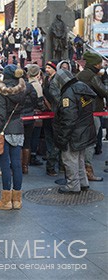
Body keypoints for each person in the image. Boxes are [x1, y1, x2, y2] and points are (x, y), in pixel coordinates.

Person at [52, 69, 97, 193]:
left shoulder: (68, 94)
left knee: (69, 159)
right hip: (85, 130)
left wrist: (63, 138)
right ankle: (83, 182)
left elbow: (68, 119)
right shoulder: (82, 87)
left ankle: (73, 185)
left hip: (74, 134)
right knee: (80, 159)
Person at [0, 65, 26, 210]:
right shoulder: (23, 89)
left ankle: (6, 201)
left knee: (5, 165)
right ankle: (17, 200)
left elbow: (0, 115)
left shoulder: (1, 91)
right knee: (16, 164)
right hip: (18, 128)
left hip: (4, 130)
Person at [76, 51, 107, 182]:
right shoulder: (92, 76)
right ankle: (88, 171)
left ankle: (80, 171)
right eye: (100, 63)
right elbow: (104, 92)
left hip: (81, 112)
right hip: (93, 113)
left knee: (82, 142)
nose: (101, 65)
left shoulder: (79, 75)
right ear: (95, 64)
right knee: (90, 143)